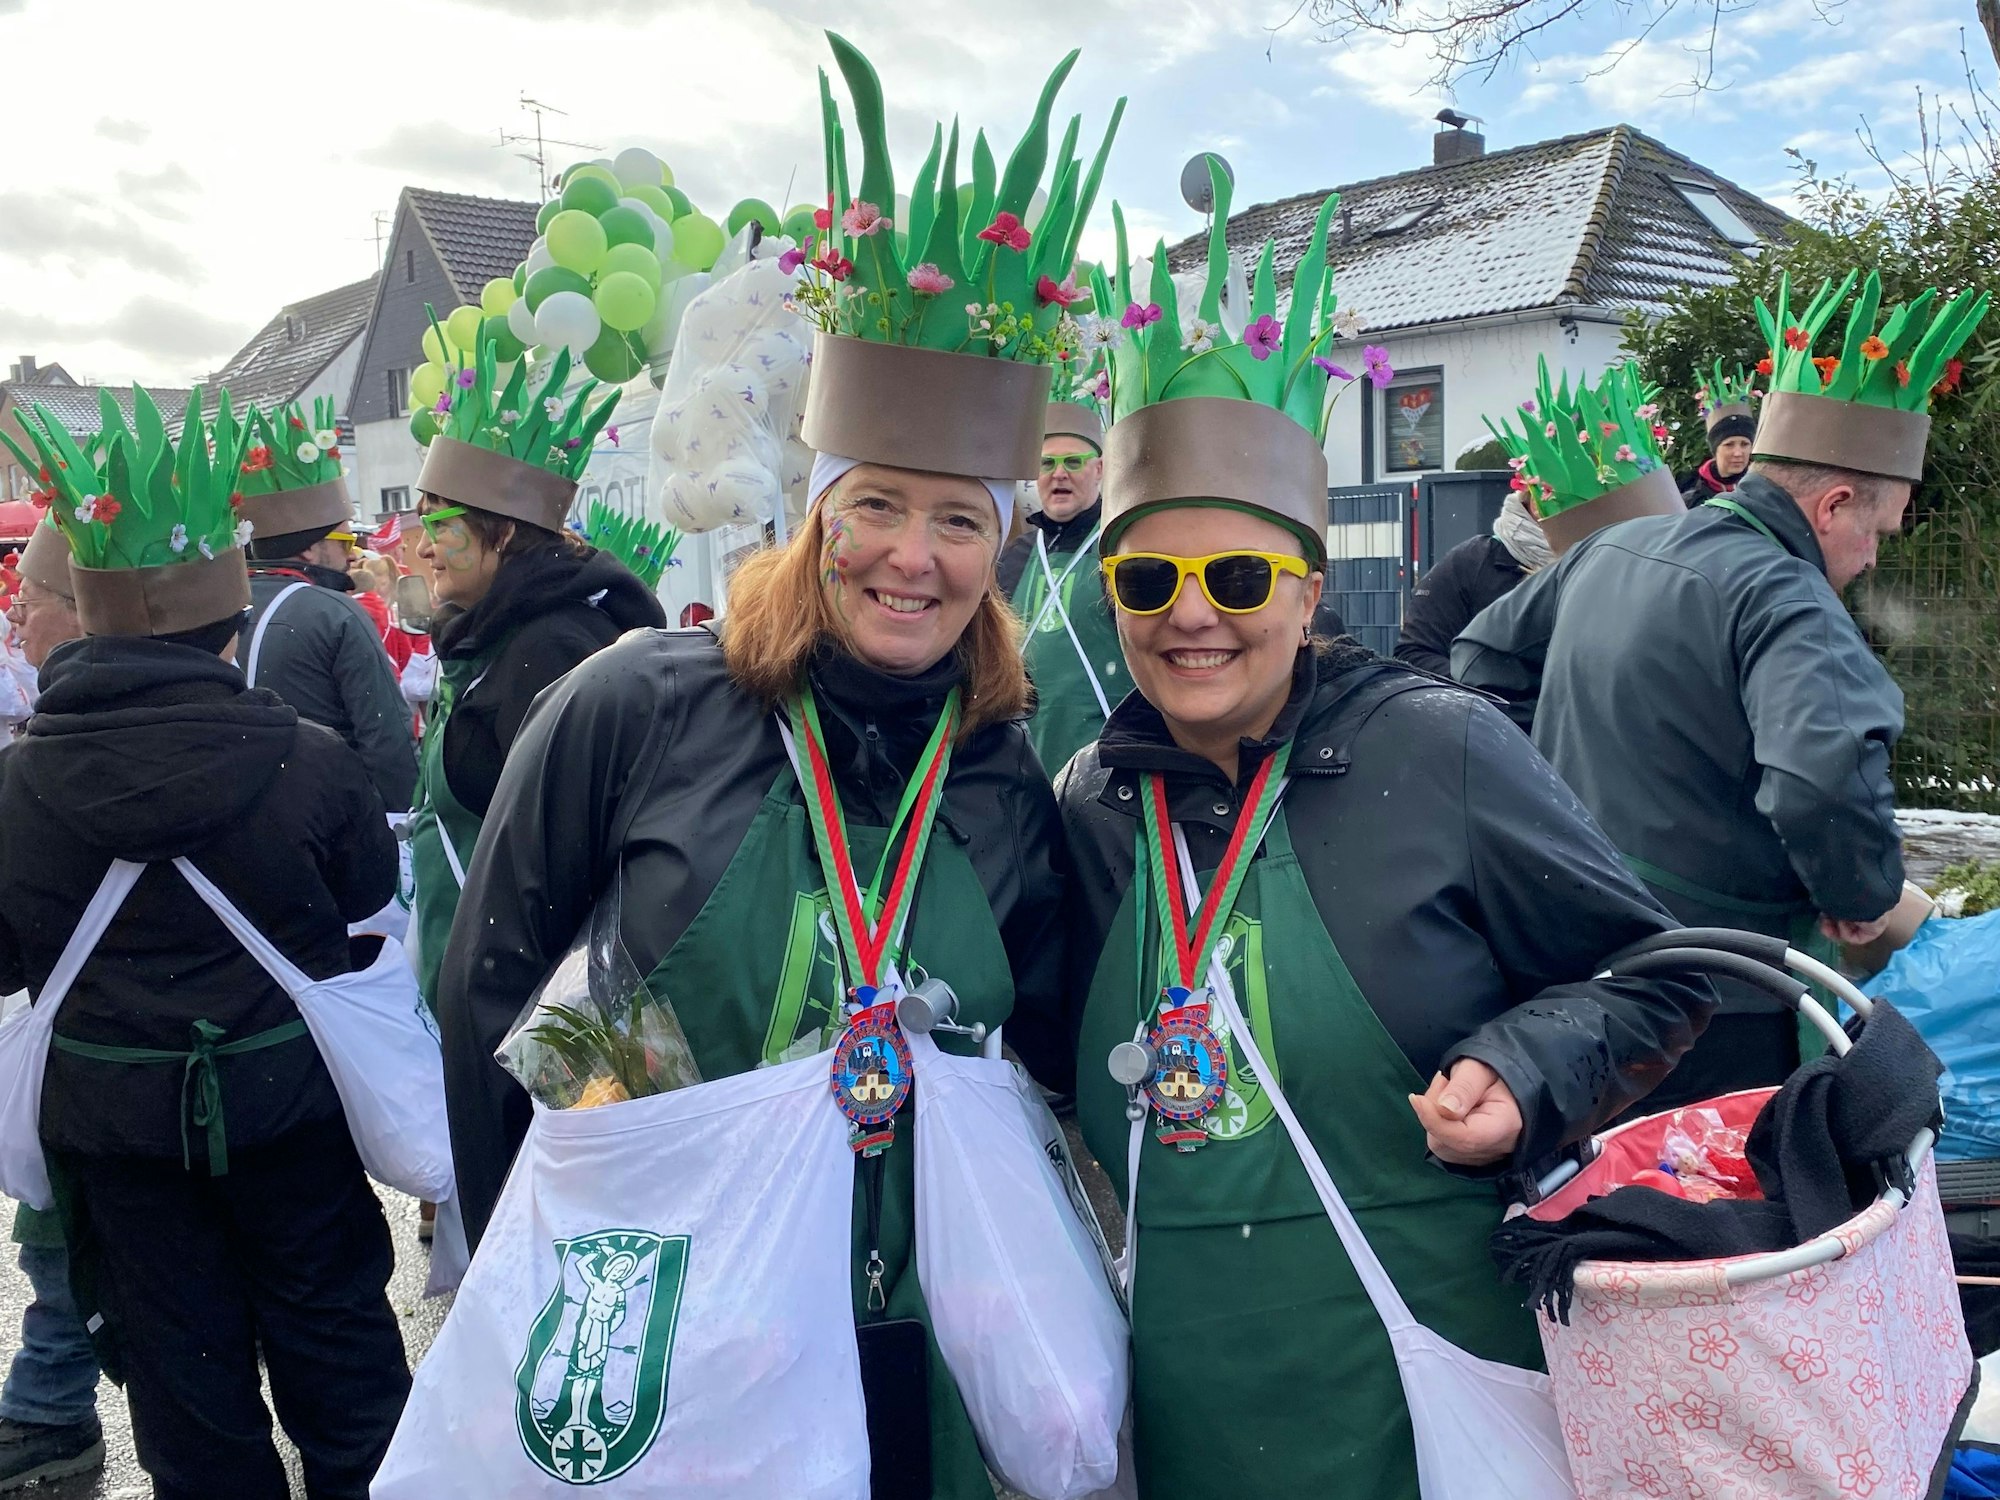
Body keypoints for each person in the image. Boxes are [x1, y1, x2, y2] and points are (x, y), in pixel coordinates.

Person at [436, 42, 1107, 1493]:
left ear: (1000, 549)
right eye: (874, 505)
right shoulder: (641, 707)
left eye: (958, 520)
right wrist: (539, 1283)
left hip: (918, 1349)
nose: (911, 558)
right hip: (687, 1346)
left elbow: (1042, 1067)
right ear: (812, 517)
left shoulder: (999, 777)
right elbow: (492, 992)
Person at [1060, 187, 1714, 1499]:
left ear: (1309, 592)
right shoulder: (1089, 804)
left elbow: (1661, 970)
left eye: (1238, 578)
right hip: (1188, 1404)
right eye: (1149, 580)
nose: (1193, 616)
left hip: (1426, 1396)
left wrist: (1525, 1069)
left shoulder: (1438, 749)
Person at [0, 389, 411, 1500]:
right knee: (344, 1367)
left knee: (186, 1406)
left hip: (117, 1146)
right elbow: (361, 906)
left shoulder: (14, 788)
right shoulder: (313, 762)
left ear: (85, 616)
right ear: (230, 628)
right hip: (292, 1118)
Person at [1454, 270, 1986, 1106]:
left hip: (1575, 960)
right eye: (1877, 532)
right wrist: (1860, 895)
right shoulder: (1789, 598)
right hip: (1723, 997)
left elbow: (1479, 660)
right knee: (1714, 1213)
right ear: (1836, 503)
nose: (1874, 558)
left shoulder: (1615, 548)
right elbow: (1824, 777)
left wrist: (1548, 794)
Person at [404, 353, 665, 1018]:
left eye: (442, 525)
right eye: (421, 522)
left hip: (529, 1012)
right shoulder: (487, 631)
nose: (424, 547)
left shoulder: (552, 649)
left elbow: (574, 861)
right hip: (472, 991)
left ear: (506, 531)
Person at [0, 520, 103, 1493]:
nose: (16, 609)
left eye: (30, 597)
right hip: (236, 1078)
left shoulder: (36, 769)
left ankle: (48, 1413)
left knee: (67, 1250)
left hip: (96, 1071)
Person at [237, 399, 417, 813]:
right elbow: (386, 738)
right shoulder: (336, 612)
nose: (355, 555)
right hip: (328, 818)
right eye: (346, 541)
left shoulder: (215, 608)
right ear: (312, 549)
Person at [997, 401, 1124, 775]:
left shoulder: (1119, 548)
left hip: (1106, 766)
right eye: (1047, 463)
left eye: (1073, 461)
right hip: (1021, 764)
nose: (1059, 475)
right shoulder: (1013, 557)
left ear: (1099, 469)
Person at [1394, 481, 1549, 676]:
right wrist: (1489, 690)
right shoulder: (1471, 563)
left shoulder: (1593, 561)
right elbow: (1415, 654)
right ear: (1536, 501)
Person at [1679, 359, 1758, 504]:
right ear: (1715, 449)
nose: (1738, 453)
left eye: (1745, 444)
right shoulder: (1691, 496)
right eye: (1729, 444)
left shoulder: (1764, 491)